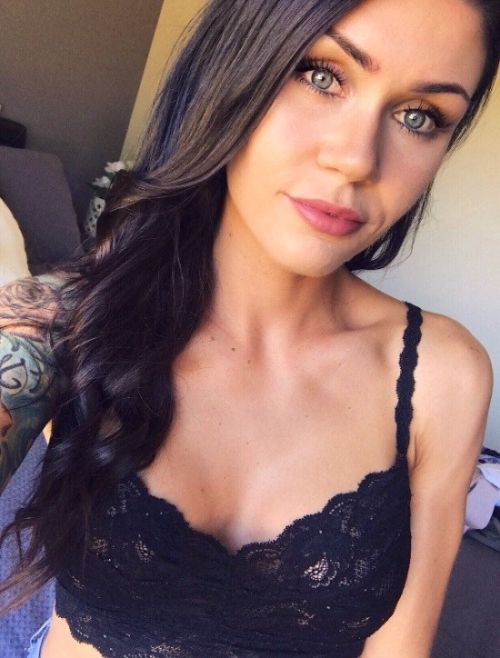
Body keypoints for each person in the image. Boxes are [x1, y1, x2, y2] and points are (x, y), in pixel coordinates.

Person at [0, 0, 499, 656]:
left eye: (419, 116)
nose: (356, 159)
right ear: (234, 67)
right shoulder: (73, 316)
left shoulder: (442, 375)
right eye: (321, 74)